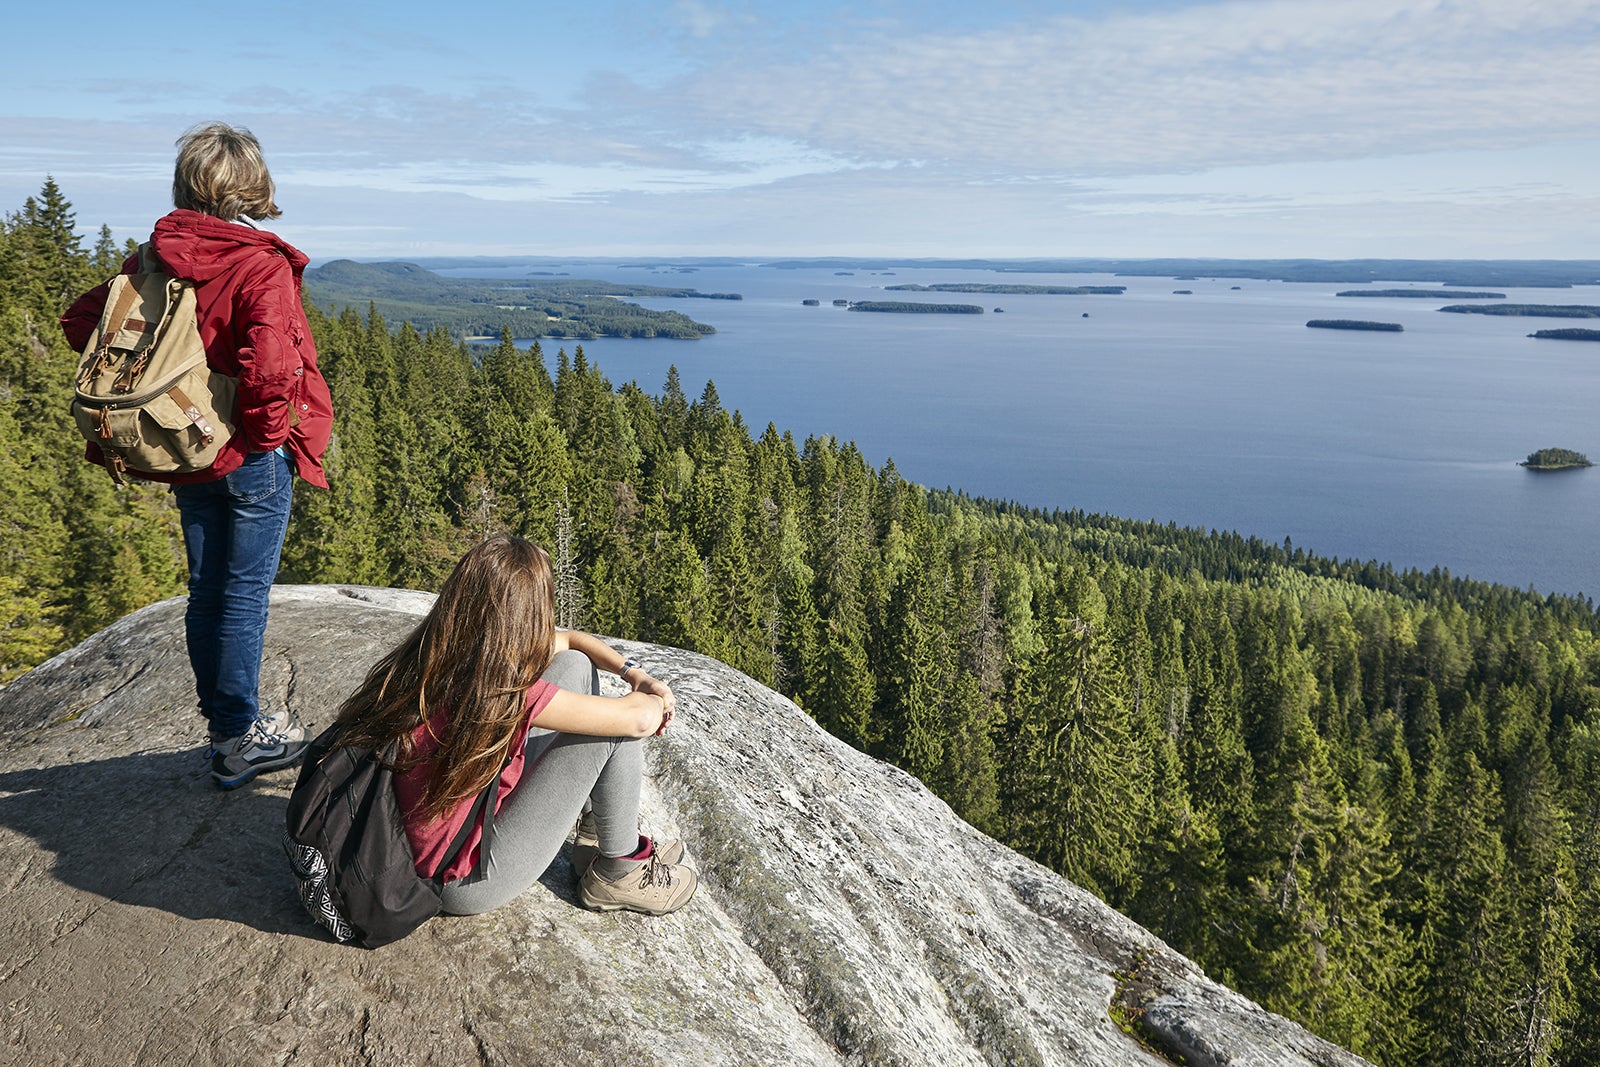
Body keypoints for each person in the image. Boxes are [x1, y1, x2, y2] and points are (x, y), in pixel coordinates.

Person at [61, 122, 334, 788]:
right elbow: (270, 370)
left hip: (186, 452)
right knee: (241, 599)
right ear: (249, 185)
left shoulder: (155, 258)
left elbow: (80, 324)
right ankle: (239, 739)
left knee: (206, 594)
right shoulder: (256, 262)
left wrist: (172, 393)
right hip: (245, 455)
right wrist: (265, 436)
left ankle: (222, 728)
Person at [333, 535, 697, 916]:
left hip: (424, 838)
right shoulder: (501, 693)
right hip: (460, 878)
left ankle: (594, 833)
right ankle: (620, 870)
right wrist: (656, 697)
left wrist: (633, 673)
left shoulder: (437, 652)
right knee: (614, 730)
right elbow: (638, 720)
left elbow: (571, 641)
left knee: (574, 665)